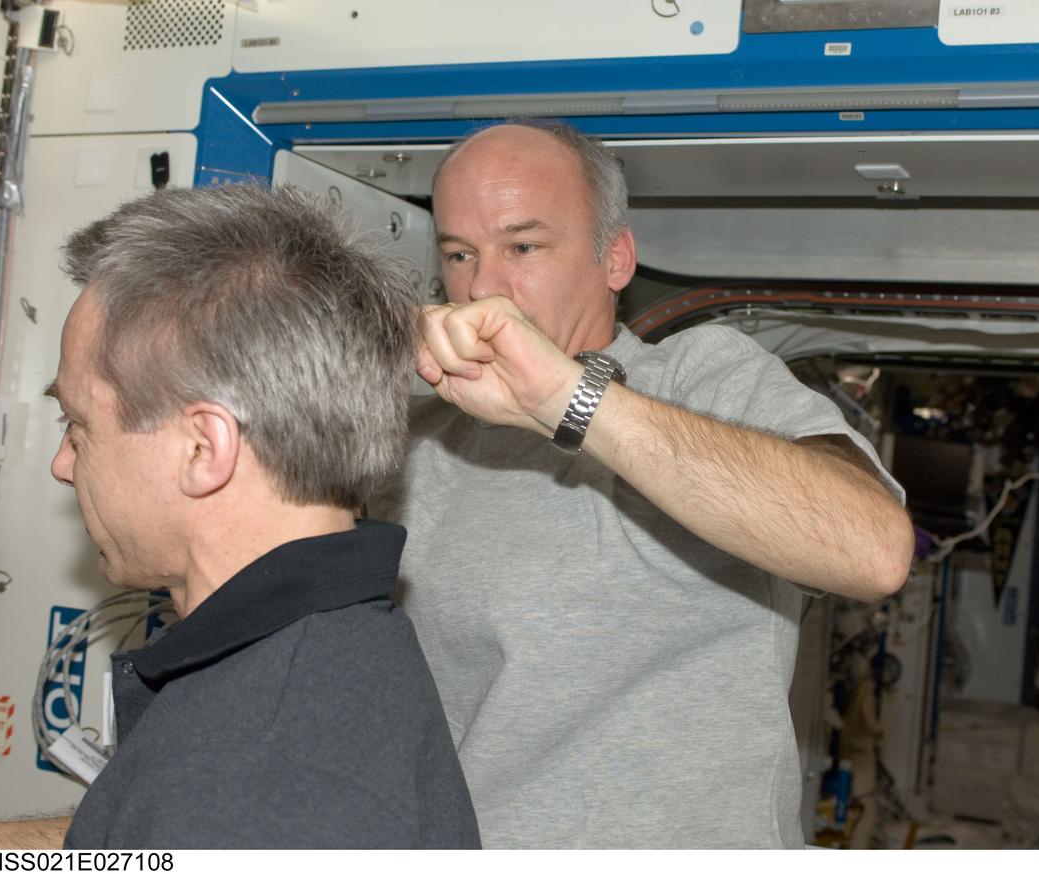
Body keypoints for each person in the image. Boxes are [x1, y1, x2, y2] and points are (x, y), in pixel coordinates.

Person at [367, 121, 915, 848]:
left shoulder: (700, 378)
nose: (482, 288)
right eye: (460, 255)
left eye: (523, 247)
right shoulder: (417, 436)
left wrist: (568, 401)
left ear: (615, 259)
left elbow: (871, 548)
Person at [0, 185, 480, 849]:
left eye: (77, 425)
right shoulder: (327, 655)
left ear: (204, 449)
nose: (62, 462)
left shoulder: (252, 773)